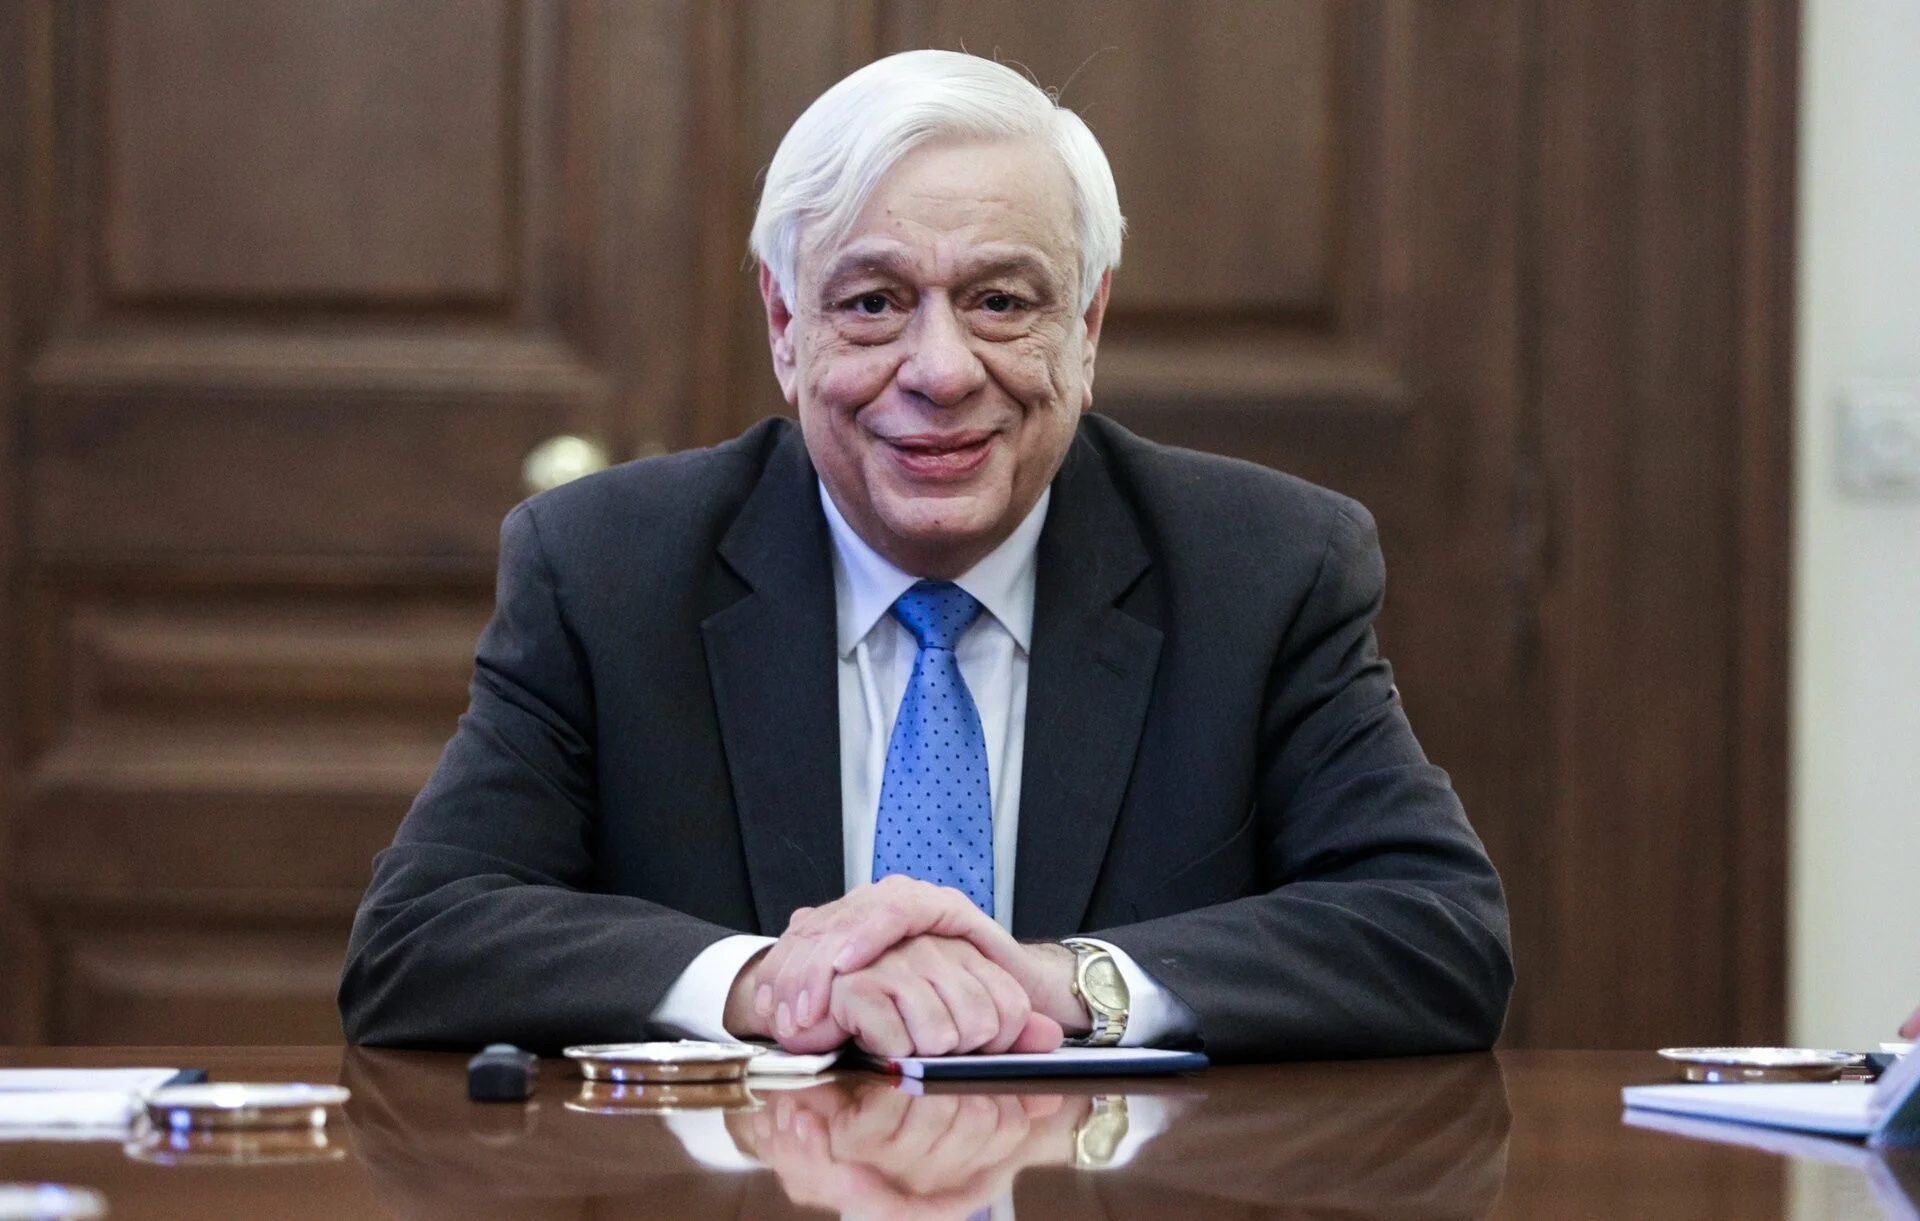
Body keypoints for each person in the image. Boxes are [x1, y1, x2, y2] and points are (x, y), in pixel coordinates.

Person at [338, 49, 1513, 1061]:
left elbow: (1437, 934)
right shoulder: (607, 568)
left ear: (1088, 325)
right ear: (784, 326)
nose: (942, 371)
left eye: (1000, 301)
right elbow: (421, 940)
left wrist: (1057, 983)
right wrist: (770, 983)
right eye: (872, 303)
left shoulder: (1261, 569)